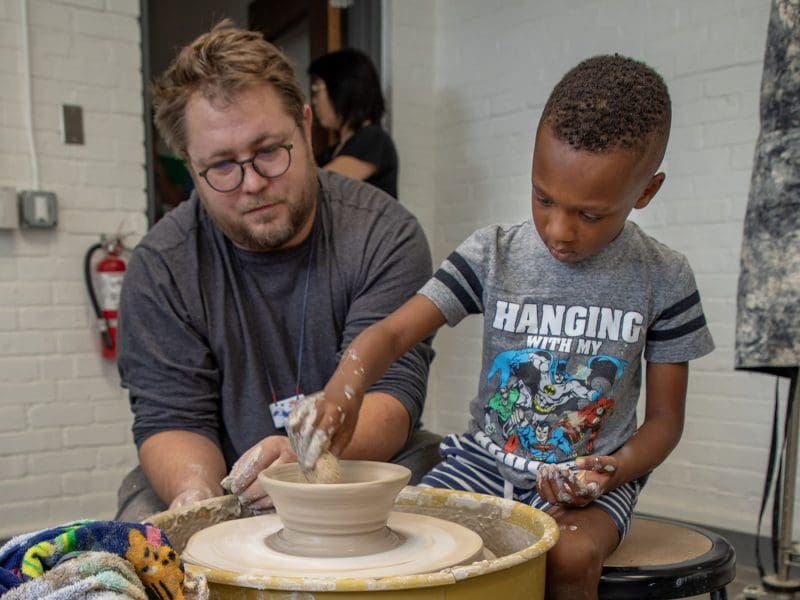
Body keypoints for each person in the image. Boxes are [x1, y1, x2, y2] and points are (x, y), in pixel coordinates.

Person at [289, 54, 715, 599]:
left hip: (589, 481)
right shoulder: (494, 255)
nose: (559, 230)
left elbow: (663, 422)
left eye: (589, 215)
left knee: (568, 553)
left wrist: (612, 468)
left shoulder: (664, 277)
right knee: (408, 536)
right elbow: (394, 333)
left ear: (646, 193)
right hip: (487, 461)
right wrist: (343, 388)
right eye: (543, 198)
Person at [114, 20, 440, 522]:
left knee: (442, 482)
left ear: (306, 127)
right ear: (190, 166)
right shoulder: (162, 266)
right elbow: (171, 417)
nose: (252, 184)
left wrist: (305, 461)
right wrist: (197, 493)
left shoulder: (383, 233)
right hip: (225, 474)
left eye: (269, 151)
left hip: (349, 460)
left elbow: (390, 395)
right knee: (149, 523)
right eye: (221, 165)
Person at [307, 48, 399, 198]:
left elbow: (317, 188)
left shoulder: (373, 139)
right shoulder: (330, 153)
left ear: (341, 88)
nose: (314, 101)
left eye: (317, 89)